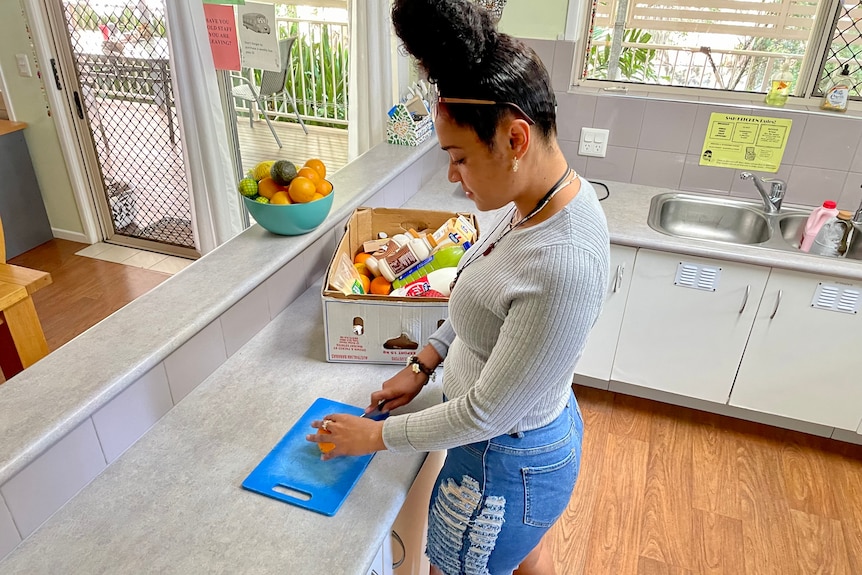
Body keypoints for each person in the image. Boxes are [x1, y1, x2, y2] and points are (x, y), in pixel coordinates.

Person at [306, 1, 610, 573]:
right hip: (523, 440)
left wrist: (373, 438)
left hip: (504, 459)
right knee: (526, 554)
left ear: (516, 138)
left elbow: (484, 415)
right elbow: (486, 290)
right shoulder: (541, 202)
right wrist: (424, 363)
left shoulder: (562, 262)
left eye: (459, 157)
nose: (453, 175)